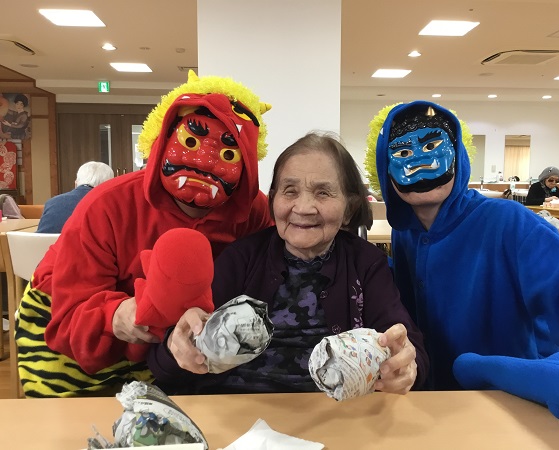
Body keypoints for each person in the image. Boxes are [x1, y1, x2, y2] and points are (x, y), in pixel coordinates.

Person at [15, 71, 274, 397]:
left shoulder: (253, 211)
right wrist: (116, 315)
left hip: (173, 347)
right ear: (162, 139)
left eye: (227, 154)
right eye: (190, 142)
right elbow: (69, 314)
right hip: (70, 326)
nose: (204, 162)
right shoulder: (107, 204)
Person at [365, 100, 559, 424]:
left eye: (432, 145)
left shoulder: (509, 221)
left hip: (509, 410)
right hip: (427, 409)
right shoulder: (405, 232)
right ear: (383, 166)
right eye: (403, 152)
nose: (419, 160)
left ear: (458, 153)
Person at [148, 132, 429, 395]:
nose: (303, 208)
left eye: (323, 193)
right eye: (290, 191)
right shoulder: (241, 257)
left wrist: (406, 365)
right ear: (273, 201)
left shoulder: (365, 262)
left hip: (337, 412)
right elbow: (165, 367)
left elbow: (406, 345)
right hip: (238, 408)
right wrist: (178, 346)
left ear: (350, 208)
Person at [36, 161, 114, 233]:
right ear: (109, 184)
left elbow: (40, 236)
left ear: (76, 183)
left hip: (47, 243)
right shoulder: (107, 205)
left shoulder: (52, 202)